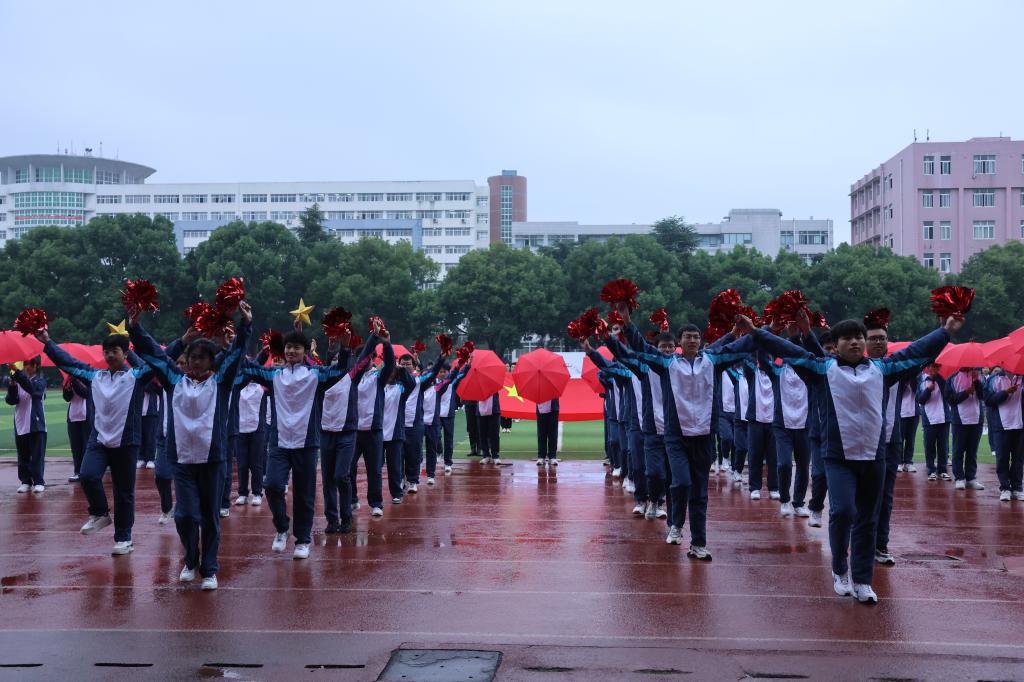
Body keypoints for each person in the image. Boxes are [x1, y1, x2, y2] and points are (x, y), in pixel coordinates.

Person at [734, 311, 959, 603]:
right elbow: (789, 350)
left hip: (874, 457)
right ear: (836, 345)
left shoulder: (882, 369)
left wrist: (945, 331)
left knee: (868, 519)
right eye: (847, 338)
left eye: (858, 338)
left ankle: (863, 580)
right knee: (842, 511)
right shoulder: (822, 368)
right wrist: (757, 332)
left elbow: (916, 352)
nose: (854, 342)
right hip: (838, 456)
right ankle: (840, 568)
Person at [618, 305, 760, 561]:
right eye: (687, 337)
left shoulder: (712, 361)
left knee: (700, 492)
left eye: (696, 337)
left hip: (704, 436)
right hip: (676, 436)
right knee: (681, 482)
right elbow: (642, 347)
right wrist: (627, 322)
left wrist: (760, 330)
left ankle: (698, 543)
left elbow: (741, 346)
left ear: (700, 340)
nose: (692, 340)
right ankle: (676, 523)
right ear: (680, 342)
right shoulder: (668, 363)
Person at [128, 302, 251, 590]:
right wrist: (135, 327)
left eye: (201, 358)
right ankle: (190, 559)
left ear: (211, 361)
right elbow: (154, 354)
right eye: (192, 357)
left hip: (213, 459)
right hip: (182, 460)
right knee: (184, 515)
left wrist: (245, 324)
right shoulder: (175, 380)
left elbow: (235, 354)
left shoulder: (221, 382)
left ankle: (209, 569)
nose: (195, 362)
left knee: (209, 517)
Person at [242, 327, 366, 558]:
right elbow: (247, 368)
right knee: (272, 485)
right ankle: (282, 527)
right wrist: (241, 334)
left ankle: (303, 540)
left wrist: (345, 347)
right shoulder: (274, 375)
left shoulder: (315, 375)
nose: (291, 351)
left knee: (304, 494)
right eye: (288, 347)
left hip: (307, 444)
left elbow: (340, 371)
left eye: (297, 348)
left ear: (305, 351)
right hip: (279, 442)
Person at [39, 331, 156, 555]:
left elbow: (159, 361)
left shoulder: (136, 376)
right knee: (88, 475)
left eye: (115, 351)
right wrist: (48, 342)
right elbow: (69, 363)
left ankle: (124, 538)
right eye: (107, 351)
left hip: (126, 442)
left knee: (124, 492)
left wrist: (183, 342)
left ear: (125, 354)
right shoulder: (95, 377)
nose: (110, 355)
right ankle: (100, 513)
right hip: (99, 439)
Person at [318, 332, 375, 534]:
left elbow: (365, 356)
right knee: (327, 479)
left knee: (341, 475)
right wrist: (329, 349)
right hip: (326, 433)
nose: (337, 362)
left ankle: (346, 516)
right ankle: (332, 519)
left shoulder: (352, 377)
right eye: (333, 359)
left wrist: (374, 336)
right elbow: (306, 360)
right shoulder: (322, 379)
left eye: (340, 359)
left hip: (347, 433)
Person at [349, 336, 396, 516]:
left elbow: (390, 365)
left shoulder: (378, 377)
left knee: (374, 469)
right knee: (348, 467)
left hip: (373, 431)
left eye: (369, 356)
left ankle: (376, 503)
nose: (366, 359)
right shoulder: (353, 376)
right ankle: (352, 499)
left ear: (374, 358)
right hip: (353, 431)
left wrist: (387, 344)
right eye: (361, 355)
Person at [400, 352, 444, 493]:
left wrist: (441, 357)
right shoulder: (393, 380)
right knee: (398, 455)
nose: (405, 366)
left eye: (408, 364)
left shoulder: (419, 382)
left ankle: (413, 481)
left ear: (414, 367)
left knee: (413, 454)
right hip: (397, 425)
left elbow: (432, 373)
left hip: (415, 425)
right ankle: (400, 479)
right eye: (402, 364)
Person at [805, 329, 835, 527]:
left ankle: (838, 513)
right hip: (818, 433)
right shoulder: (815, 374)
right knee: (819, 474)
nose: (831, 352)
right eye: (827, 349)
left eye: (834, 348)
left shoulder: (844, 371)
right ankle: (816, 508)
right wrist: (801, 335)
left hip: (840, 436)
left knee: (837, 479)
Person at [7, 357, 47, 493]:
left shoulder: (40, 381)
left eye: (30, 364)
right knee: (22, 455)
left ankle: (39, 481)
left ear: (36, 366)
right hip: (20, 423)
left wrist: (17, 373)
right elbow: (11, 400)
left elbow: (33, 390)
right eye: (25, 364)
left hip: (36, 424)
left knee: (37, 455)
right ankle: (25, 481)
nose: (27, 367)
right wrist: (12, 385)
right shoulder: (20, 381)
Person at [983, 370, 1023, 502]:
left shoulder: (1022, 378)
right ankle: (1005, 488)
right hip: (1001, 425)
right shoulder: (993, 379)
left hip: (1020, 425)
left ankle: (1017, 488)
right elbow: (988, 400)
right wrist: (1005, 392)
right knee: (1002, 458)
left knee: (1018, 459)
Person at [945, 368, 986, 491]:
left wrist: (977, 382)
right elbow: (950, 399)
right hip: (959, 420)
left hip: (976, 419)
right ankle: (959, 478)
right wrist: (966, 393)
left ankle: (970, 478)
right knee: (958, 450)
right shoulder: (952, 378)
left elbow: (984, 396)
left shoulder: (980, 377)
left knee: (972, 451)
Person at [917, 364, 952, 481]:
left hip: (944, 419)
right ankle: (931, 470)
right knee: (929, 446)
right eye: (932, 367)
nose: (934, 369)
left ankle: (942, 470)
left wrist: (937, 378)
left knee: (943, 446)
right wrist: (928, 390)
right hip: (929, 419)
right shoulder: (922, 381)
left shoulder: (943, 380)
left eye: (937, 367)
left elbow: (947, 394)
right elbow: (920, 400)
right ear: (928, 368)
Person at [62, 375, 91, 482]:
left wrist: (74, 382)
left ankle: (86, 471)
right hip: (73, 417)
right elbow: (67, 398)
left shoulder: (88, 378)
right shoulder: (68, 380)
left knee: (86, 446)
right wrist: (68, 388)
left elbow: (85, 393)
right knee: (75, 447)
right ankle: (77, 471)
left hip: (86, 417)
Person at [136, 380, 162, 469]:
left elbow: (151, 388)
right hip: (139, 411)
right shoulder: (140, 378)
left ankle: (151, 459)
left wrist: (147, 382)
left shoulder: (156, 379)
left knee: (151, 436)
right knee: (140, 436)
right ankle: (141, 458)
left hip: (152, 411)